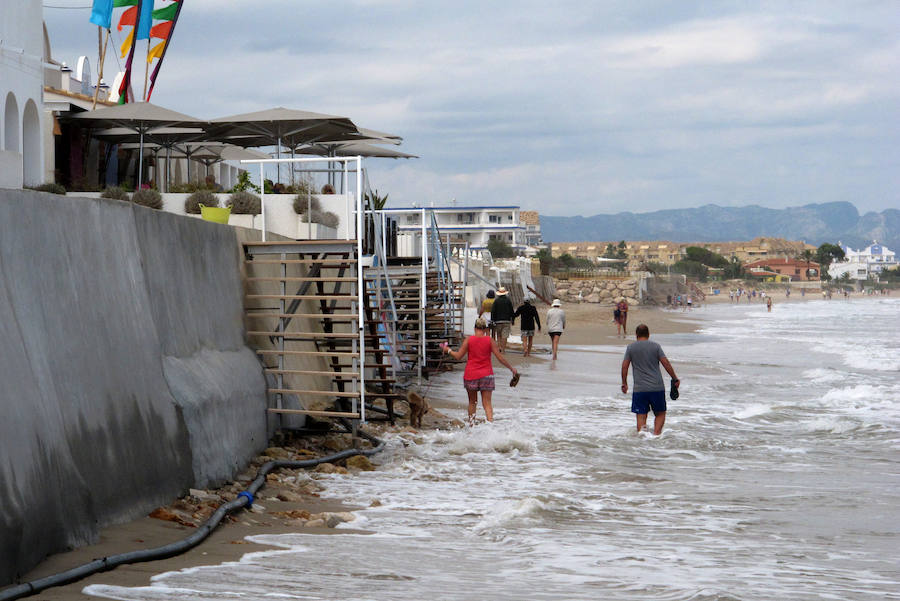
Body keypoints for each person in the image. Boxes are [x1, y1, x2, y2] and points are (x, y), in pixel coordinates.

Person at [443, 317, 517, 423]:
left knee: (472, 402)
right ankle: (491, 426)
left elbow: (458, 356)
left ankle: (471, 426)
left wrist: (448, 350)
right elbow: (500, 358)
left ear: (474, 328)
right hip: (487, 375)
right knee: (487, 403)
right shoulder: (490, 341)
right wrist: (511, 368)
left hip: (471, 374)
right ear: (485, 329)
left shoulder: (468, 340)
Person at [621, 323, 679, 435]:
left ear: (636, 334)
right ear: (648, 334)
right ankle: (656, 436)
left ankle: (643, 437)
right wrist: (674, 378)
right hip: (656, 387)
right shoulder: (656, 346)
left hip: (640, 389)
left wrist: (624, 383)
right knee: (660, 414)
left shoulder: (631, 348)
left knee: (641, 416)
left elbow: (625, 366)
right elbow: (665, 363)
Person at [490, 287, 515, 352]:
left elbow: (493, 311)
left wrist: (493, 320)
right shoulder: (508, 300)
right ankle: (503, 349)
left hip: (498, 321)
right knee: (505, 336)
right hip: (506, 320)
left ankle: (499, 347)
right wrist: (513, 319)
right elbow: (511, 311)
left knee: (498, 335)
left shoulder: (496, 301)